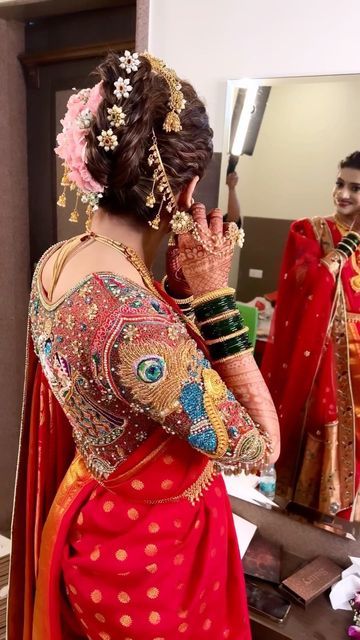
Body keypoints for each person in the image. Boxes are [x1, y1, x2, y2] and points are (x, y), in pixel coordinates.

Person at [8, 51, 280, 639]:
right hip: (150, 554)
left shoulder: (58, 263)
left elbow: (126, 386)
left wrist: (179, 292)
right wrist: (212, 299)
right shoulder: (133, 325)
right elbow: (261, 445)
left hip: (89, 507)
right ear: (180, 191)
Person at [261, 151, 360, 521]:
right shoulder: (310, 230)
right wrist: (347, 247)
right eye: (340, 183)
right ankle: (303, 517)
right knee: (321, 421)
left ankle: (344, 519)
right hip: (321, 357)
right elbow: (304, 283)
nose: (343, 194)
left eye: (355, 188)